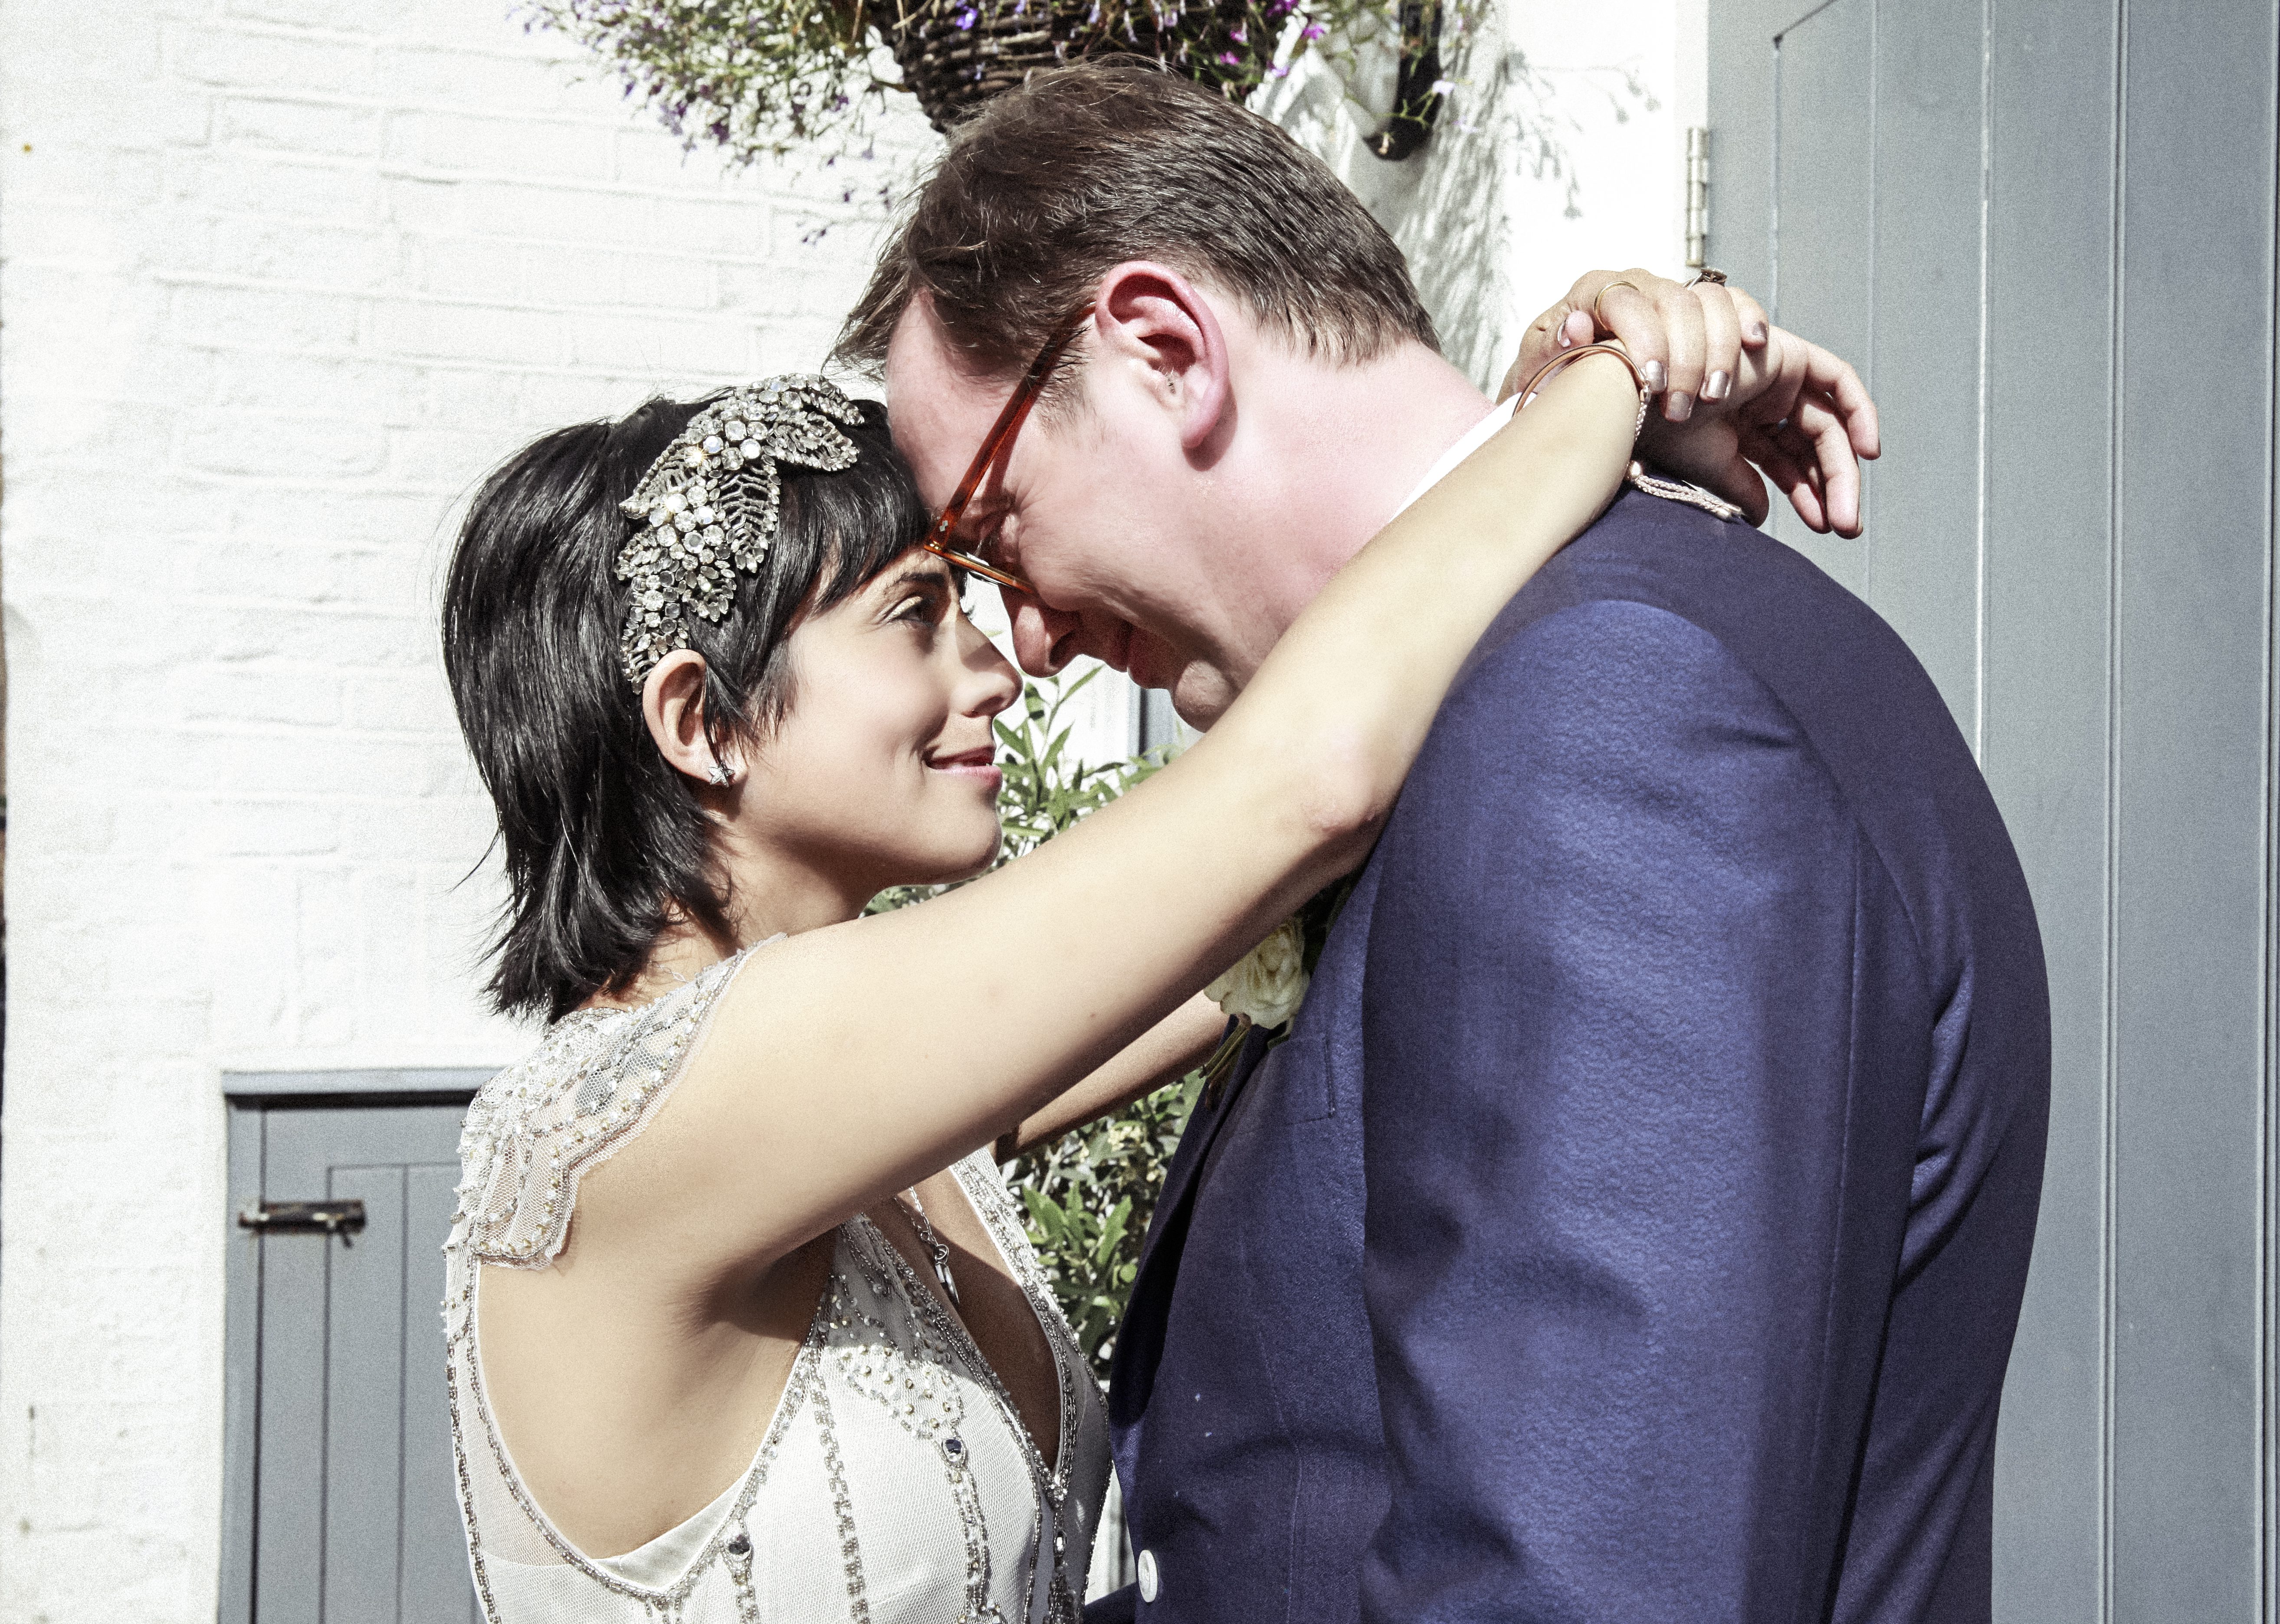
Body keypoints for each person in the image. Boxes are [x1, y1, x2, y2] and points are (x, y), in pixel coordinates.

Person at [436, 231, 1849, 1616]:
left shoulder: (889, 1117)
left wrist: (1520, 415)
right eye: (919, 613)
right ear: (703, 722)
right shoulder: (635, 1136)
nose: (1000, 668)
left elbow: (1247, 938)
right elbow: (1299, 792)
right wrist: (1611, 383)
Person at [840, 59, 2049, 1624]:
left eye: (995, 529)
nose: (1032, 638)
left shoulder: (1602, 713)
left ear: (1161, 349)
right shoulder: (1505, 700)